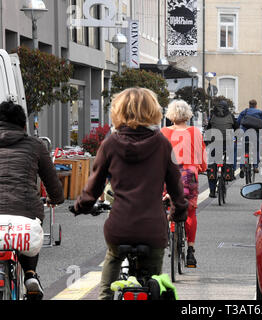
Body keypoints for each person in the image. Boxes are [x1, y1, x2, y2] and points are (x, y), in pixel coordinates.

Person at [69, 88, 188, 300]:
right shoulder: (162, 144)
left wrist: (82, 206)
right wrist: (179, 212)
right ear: (153, 111)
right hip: (152, 229)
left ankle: (105, 297)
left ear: (118, 111)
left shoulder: (110, 144)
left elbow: (94, 185)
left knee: (113, 257)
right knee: (153, 283)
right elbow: (176, 187)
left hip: (120, 227)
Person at [0, 101, 64, 299]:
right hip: (26, 211)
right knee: (28, 229)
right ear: (23, 125)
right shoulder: (35, 145)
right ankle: (30, 274)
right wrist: (56, 199)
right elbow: (52, 182)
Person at [161, 100, 207, 268]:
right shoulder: (195, 132)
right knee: (190, 212)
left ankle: (166, 232)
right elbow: (201, 155)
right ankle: (190, 251)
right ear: (188, 115)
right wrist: (201, 167)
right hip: (189, 176)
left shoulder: (163, 132)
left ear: (170, 115)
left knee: (163, 203)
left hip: (167, 176)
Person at [206, 100, 239, 198]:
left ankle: (212, 190)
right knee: (231, 155)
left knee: (212, 164)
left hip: (215, 143)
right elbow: (236, 128)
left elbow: (208, 129)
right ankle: (229, 172)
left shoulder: (212, 115)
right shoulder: (230, 116)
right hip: (227, 142)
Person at [236, 99, 262, 175]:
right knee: (256, 149)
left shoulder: (245, 112)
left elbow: (238, 121)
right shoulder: (260, 112)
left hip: (245, 133)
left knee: (244, 150)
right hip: (255, 134)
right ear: (256, 105)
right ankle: (255, 166)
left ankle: (242, 166)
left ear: (249, 105)